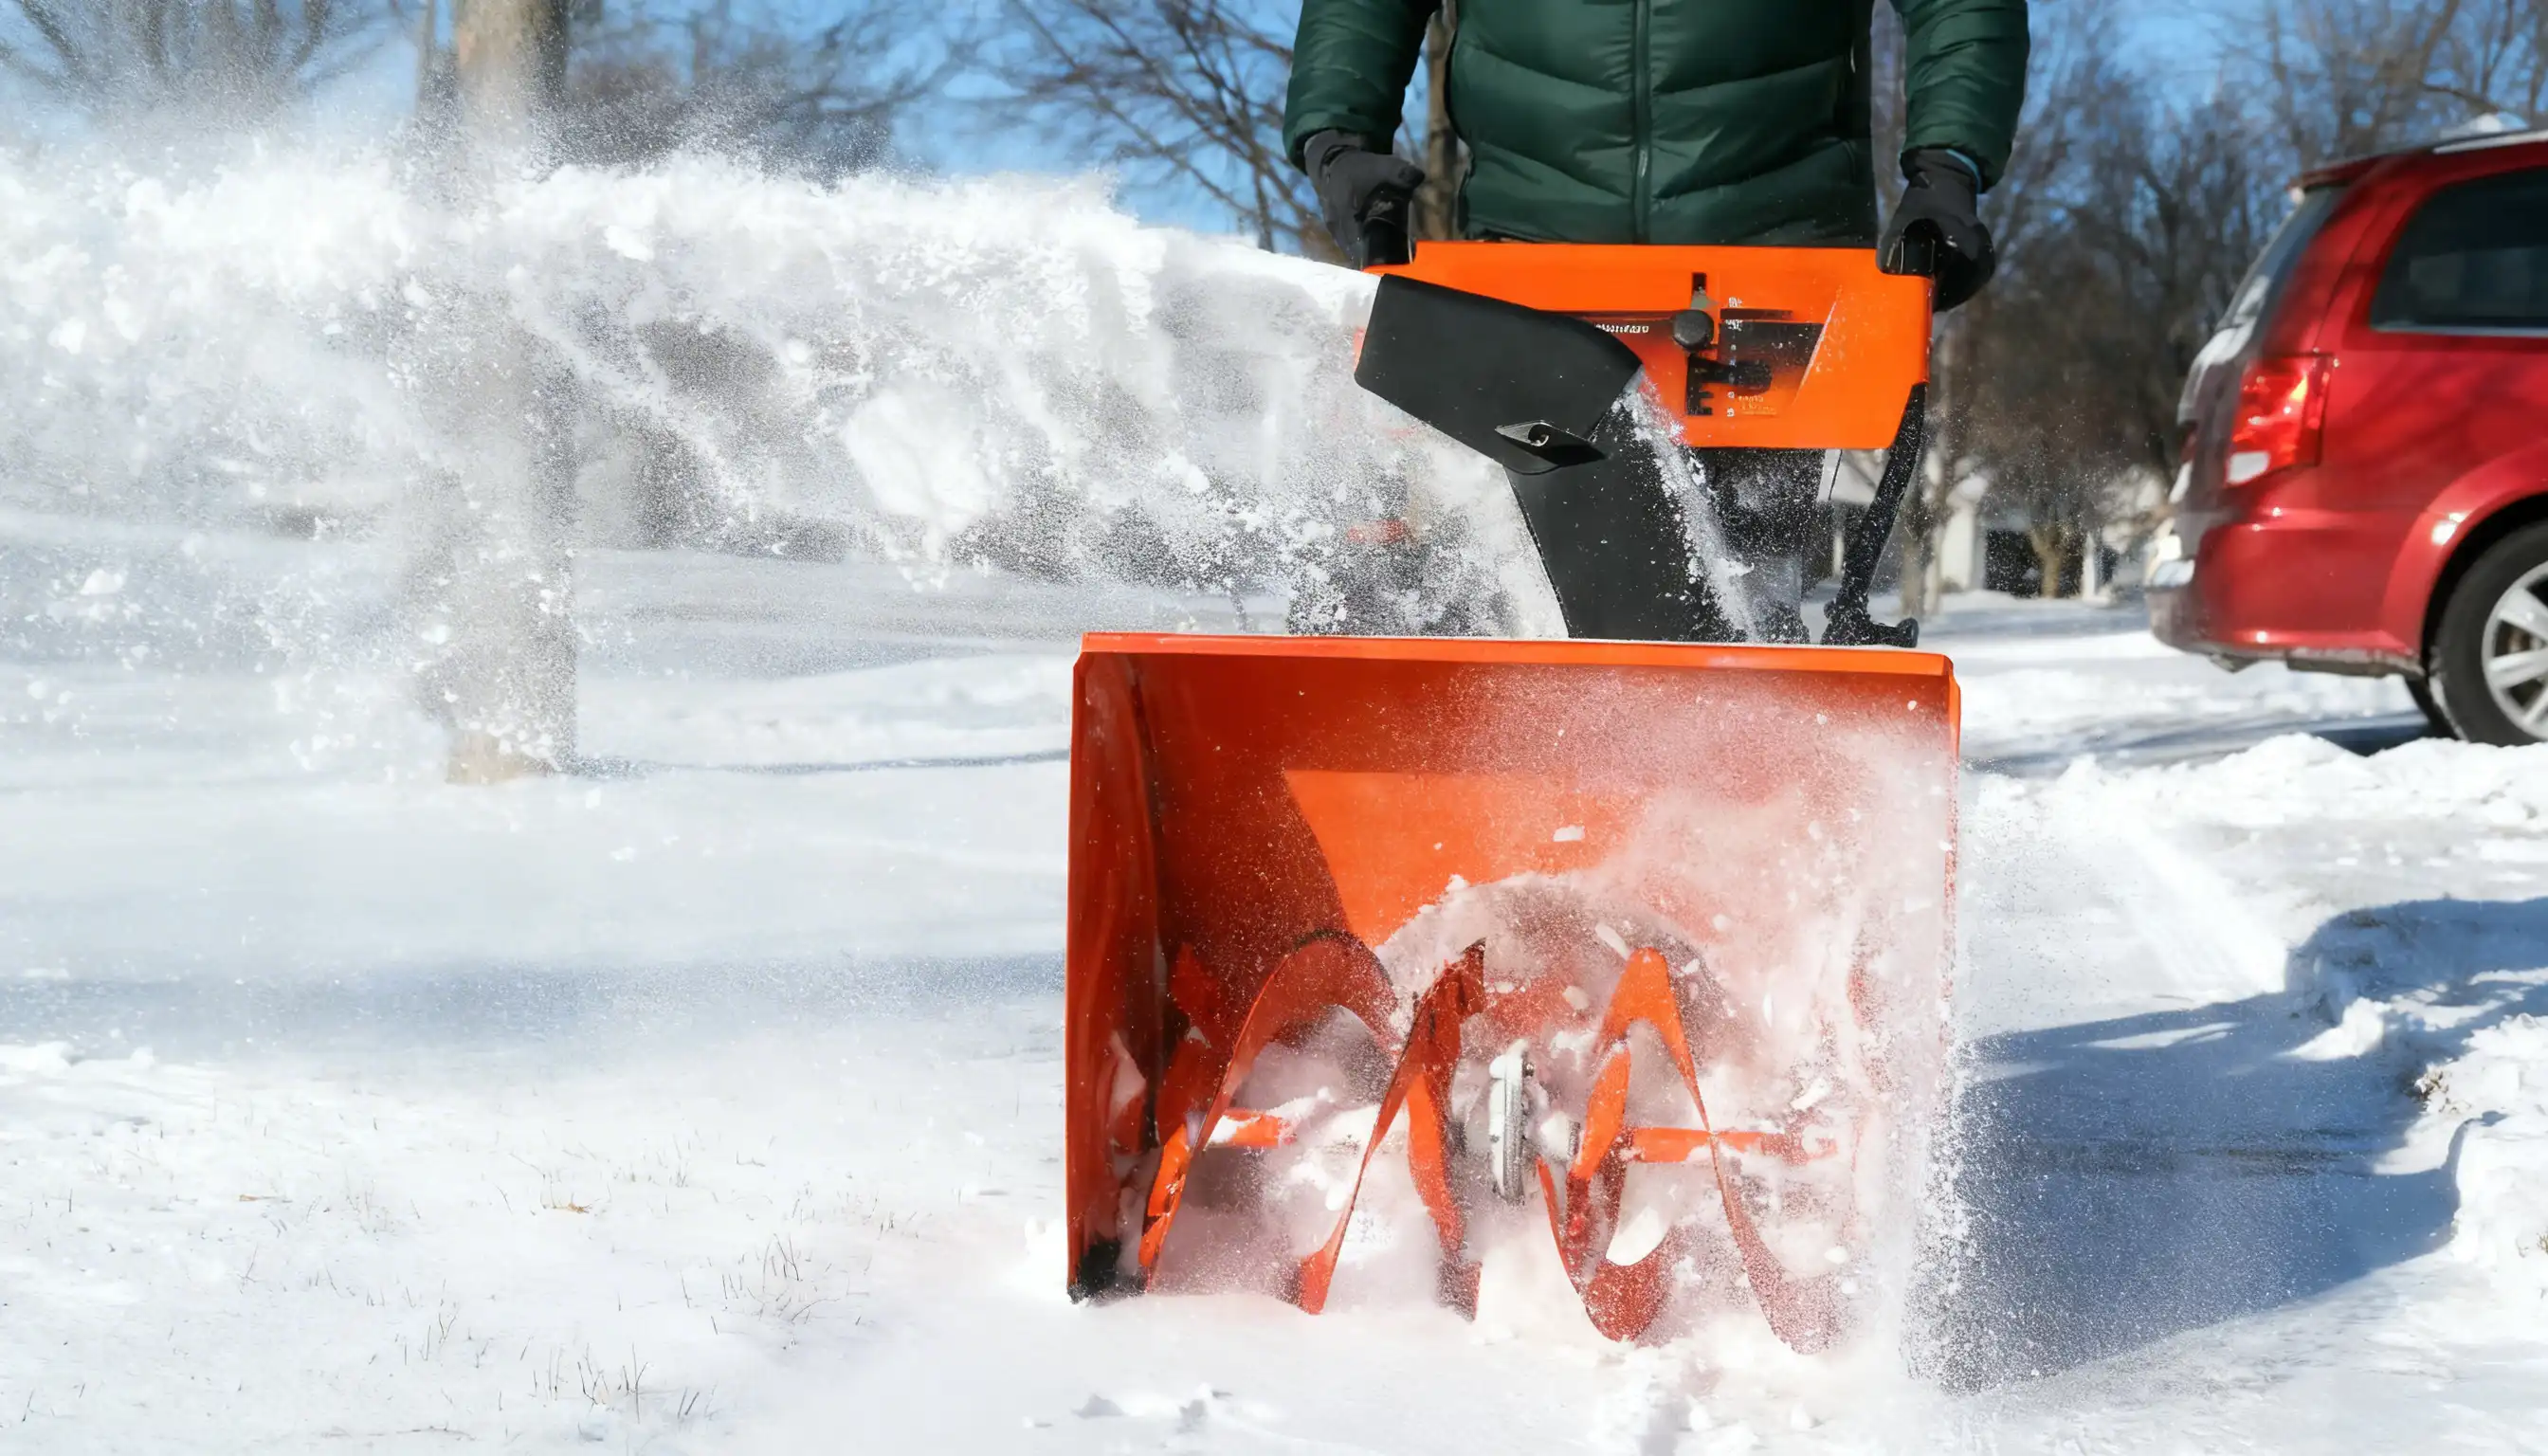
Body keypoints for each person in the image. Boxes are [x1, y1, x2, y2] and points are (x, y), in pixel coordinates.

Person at [1284, 0, 2028, 643]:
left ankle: (1737, 786)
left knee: (1737, 593)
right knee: (1516, 580)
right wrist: (1337, 135)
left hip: (1772, 277)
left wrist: (1948, 165)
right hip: (1528, 265)